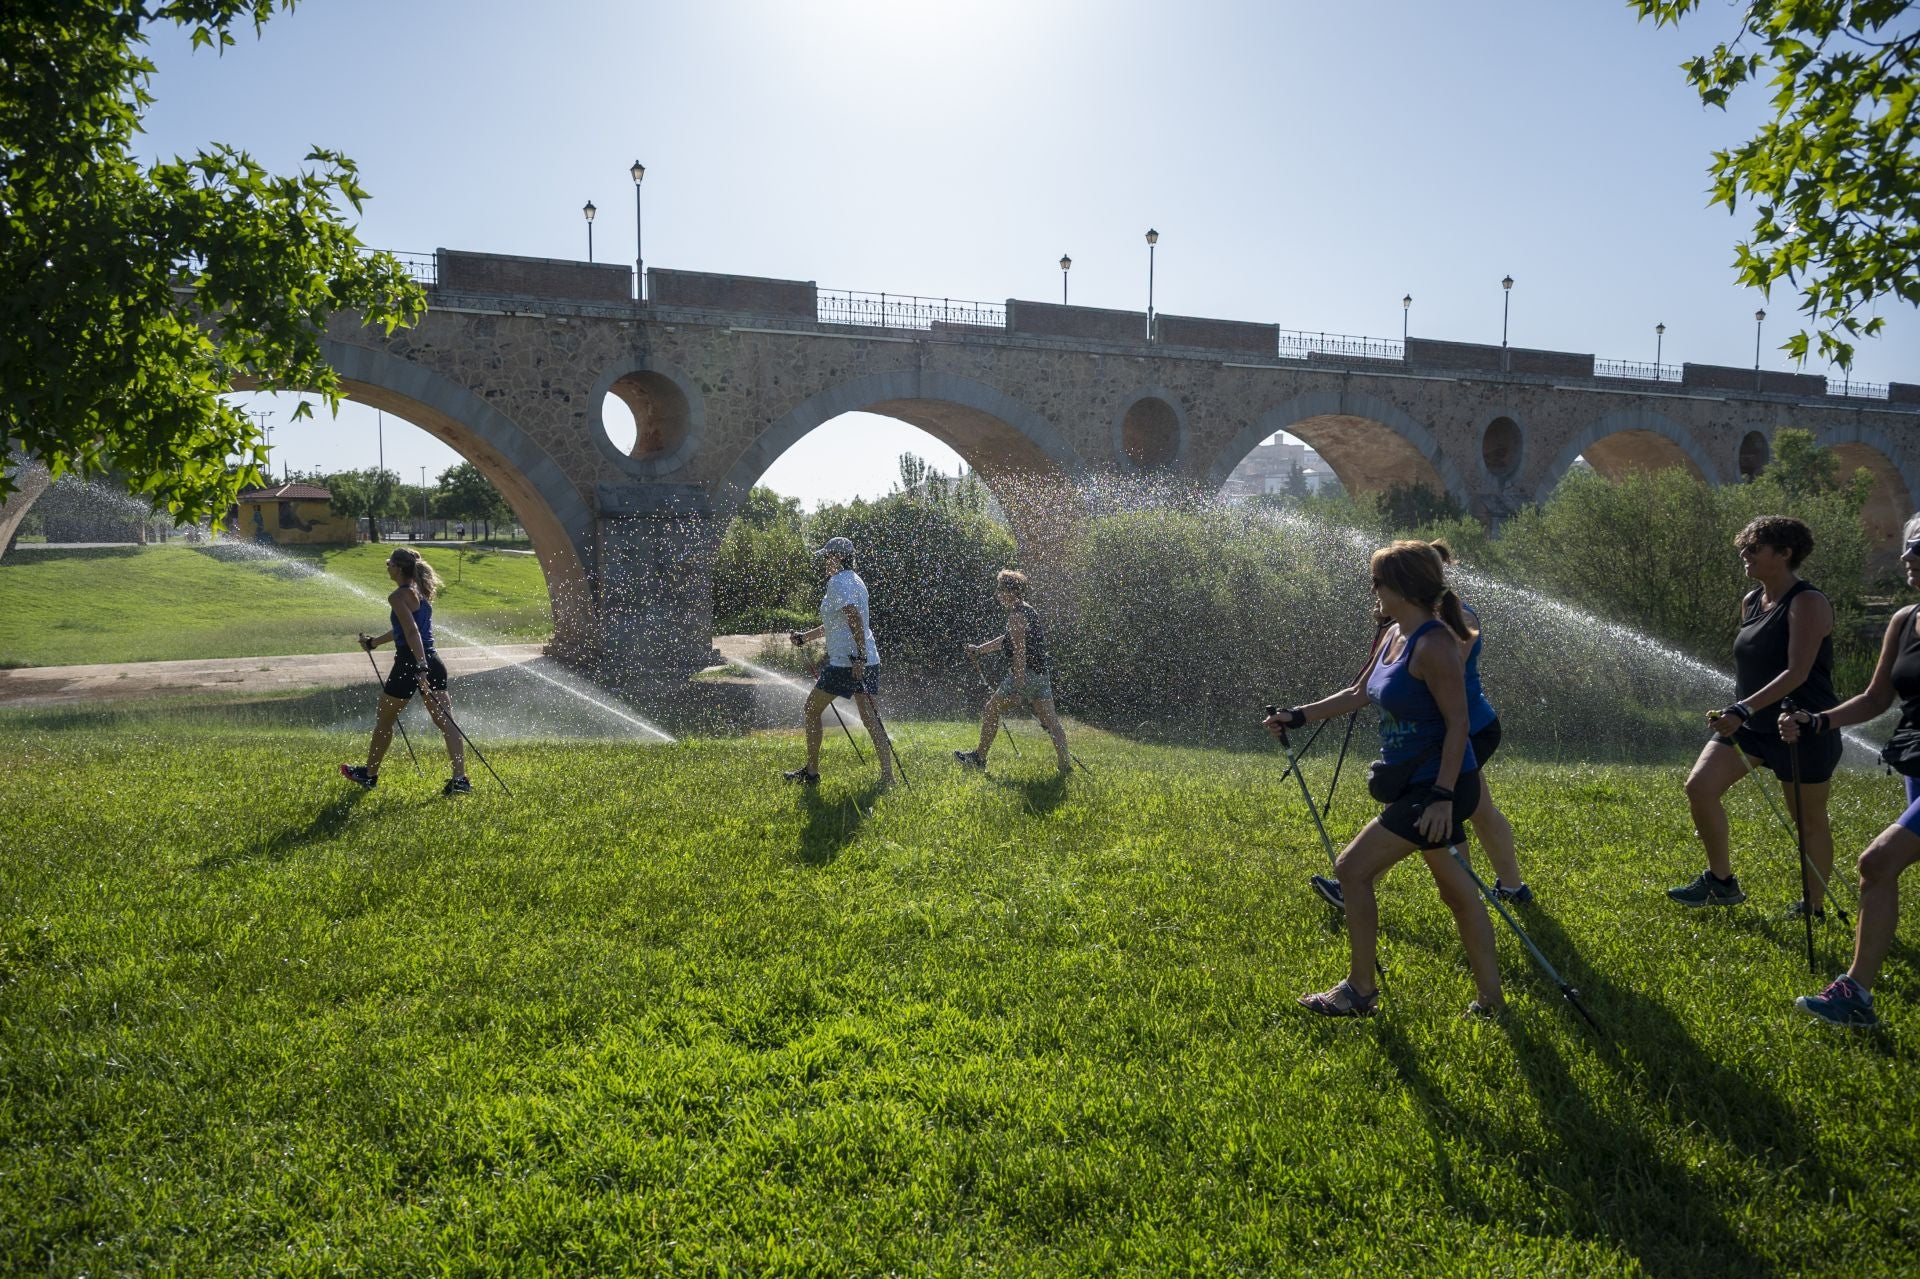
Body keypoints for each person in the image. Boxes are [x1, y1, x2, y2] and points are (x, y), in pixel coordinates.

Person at [1267, 540, 1503, 1018]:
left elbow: (1458, 724)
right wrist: (1299, 716)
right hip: (1420, 784)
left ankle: (1360, 990)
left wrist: (1441, 797)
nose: (1371, 589)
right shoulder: (1395, 633)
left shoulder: (1435, 644)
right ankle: (1492, 1002)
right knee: (1457, 894)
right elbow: (1359, 692)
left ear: (1401, 587)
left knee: (1352, 869)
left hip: (1436, 786)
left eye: (1377, 581)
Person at [1310, 552, 1532, 909]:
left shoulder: (1446, 626)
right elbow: (1367, 688)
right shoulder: (1409, 625)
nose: (1376, 590)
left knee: (1429, 807)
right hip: (1451, 731)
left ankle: (1355, 881)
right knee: (1474, 810)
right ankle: (1510, 888)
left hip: (1468, 728)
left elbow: (1440, 692)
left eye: (1383, 582)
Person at [1781, 517, 1920, 1027]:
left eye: (1919, 550)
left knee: (1877, 863)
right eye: (1907, 549)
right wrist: (1818, 720)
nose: (1908, 558)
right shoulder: (1905, 620)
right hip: (1916, 762)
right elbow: (1876, 698)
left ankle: (1855, 995)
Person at [1671, 516, 1839, 913]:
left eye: (1753, 548)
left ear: (1784, 553)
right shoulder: (1751, 601)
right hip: (1750, 724)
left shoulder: (1808, 602)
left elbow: (1796, 672)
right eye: (1743, 548)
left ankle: (1813, 905)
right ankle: (1721, 881)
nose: (1744, 555)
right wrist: (1738, 709)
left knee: (1808, 820)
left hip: (1801, 726)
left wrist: (1743, 708)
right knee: (1699, 787)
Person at [339, 546, 470, 796]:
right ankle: (460, 779)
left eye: (389, 564)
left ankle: (369, 775)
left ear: (398, 568)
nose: (387, 567)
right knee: (446, 721)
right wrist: (374, 642)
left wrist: (419, 667)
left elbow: (412, 633)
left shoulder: (398, 596)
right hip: (433, 661)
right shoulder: (420, 592)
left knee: (384, 721)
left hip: (411, 663)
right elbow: (404, 629)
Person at [785, 536, 893, 787]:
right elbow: (838, 622)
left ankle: (811, 773)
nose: (825, 561)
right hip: (865, 659)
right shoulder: (856, 581)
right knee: (870, 718)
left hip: (847, 661)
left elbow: (854, 616)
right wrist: (806, 638)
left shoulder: (837, 582)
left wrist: (859, 657)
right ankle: (888, 776)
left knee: (812, 709)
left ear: (838, 557)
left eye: (828, 556)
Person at [954, 568, 1072, 775]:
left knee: (991, 708)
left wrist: (1018, 688)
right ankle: (1065, 766)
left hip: (1025, 674)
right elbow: (1007, 640)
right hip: (1041, 675)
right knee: (1052, 722)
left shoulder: (1017, 616)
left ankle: (979, 758)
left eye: (1000, 589)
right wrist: (980, 649)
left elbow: (1019, 653)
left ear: (1011, 591)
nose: (997, 594)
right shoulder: (1027, 610)